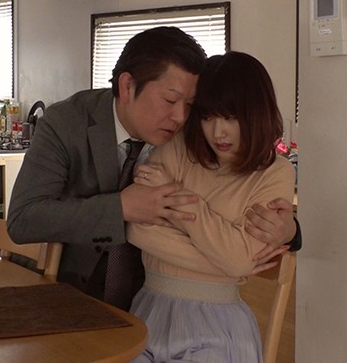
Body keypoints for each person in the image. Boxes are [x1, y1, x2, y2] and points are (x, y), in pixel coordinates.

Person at [7, 27, 300, 311]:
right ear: (127, 86)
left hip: (146, 304)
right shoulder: (67, 122)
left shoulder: (192, 134)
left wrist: (291, 231)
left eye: (190, 104)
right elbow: (23, 219)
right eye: (170, 100)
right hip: (63, 295)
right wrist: (120, 208)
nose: (180, 116)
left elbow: (236, 195)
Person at [126, 51, 296, 363]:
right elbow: (138, 229)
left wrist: (179, 203)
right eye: (208, 117)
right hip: (147, 314)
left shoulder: (275, 173)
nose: (218, 132)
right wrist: (229, 263)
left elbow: (240, 259)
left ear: (255, 113)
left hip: (216, 329)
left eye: (231, 118)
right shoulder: (178, 147)